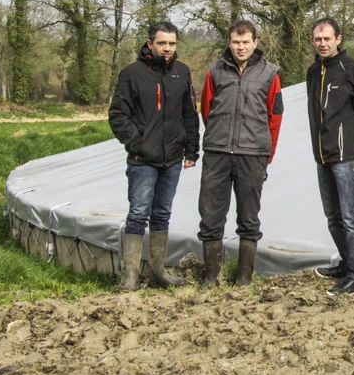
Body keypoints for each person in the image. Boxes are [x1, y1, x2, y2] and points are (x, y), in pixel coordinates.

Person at [108, 21, 200, 291]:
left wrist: (191, 149)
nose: (167, 48)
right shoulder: (132, 74)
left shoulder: (181, 73)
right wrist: (136, 143)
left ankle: (158, 271)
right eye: (162, 43)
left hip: (172, 157)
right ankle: (130, 276)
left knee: (162, 214)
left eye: (172, 44)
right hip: (142, 159)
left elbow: (189, 114)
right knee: (138, 214)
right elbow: (117, 115)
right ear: (150, 44)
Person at [198, 20, 283, 287]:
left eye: (246, 42)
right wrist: (218, 137)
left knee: (249, 217)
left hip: (252, 154)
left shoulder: (270, 74)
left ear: (255, 43)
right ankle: (212, 276)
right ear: (229, 43)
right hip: (218, 152)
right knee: (211, 214)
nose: (241, 47)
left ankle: (244, 277)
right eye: (236, 42)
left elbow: (275, 116)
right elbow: (206, 109)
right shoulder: (215, 71)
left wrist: (265, 154)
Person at [306, 17, 354, 296]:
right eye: (318, 38)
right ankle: (346, 262)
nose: (322, 43)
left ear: (339, 39)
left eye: (327, 38)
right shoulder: (314, 71)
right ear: (313, 41)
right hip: (322, 154)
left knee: (350, 216)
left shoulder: (352, 68)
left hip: (346, 155)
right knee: (332, 215)